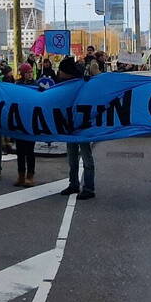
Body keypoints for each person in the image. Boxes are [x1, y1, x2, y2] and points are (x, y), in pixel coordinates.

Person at [57, 57, 96, 199]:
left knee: (85, 157)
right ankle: (74, 184)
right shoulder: (70, 83)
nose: (59, 73)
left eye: (61, 71)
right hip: (71, 125)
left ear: (66, 72)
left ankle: (89, 188)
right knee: (73, 157)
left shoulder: (81, 83)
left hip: (81, 125)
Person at [13, 63, 38, 187]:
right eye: (27, 72)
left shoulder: (36, 85)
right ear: (23, 73)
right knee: (20, 151)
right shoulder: (17, 85)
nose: (30, 74)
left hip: (31, 121)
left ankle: (30, 176)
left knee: (30, 151)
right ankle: (21, 175)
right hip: (19, 120)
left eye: (30, 72)